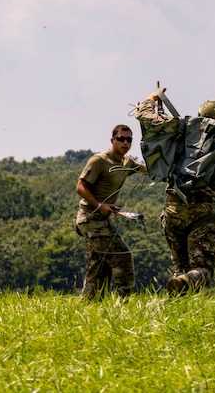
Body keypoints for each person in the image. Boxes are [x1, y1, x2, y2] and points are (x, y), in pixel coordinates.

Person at [135, 85, 215, 294]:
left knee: (181, 269)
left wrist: (152, 98)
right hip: (203, 213)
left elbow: (144, 114)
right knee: (202, 270)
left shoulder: (178, 134)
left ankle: (179, 298)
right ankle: (185, 283)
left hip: (172, 209)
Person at [75, 124, 146, 300]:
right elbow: (81, 187)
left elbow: (145, 169)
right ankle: (125, 302)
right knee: (122, 257)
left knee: (99, 266)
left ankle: (89, 306)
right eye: (121, 139)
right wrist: (100, 205)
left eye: (129, 139)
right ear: (112, 140)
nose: (125, 143)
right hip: (90, 219)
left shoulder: (126, 162)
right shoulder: (99, 160)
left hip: (103, 221)